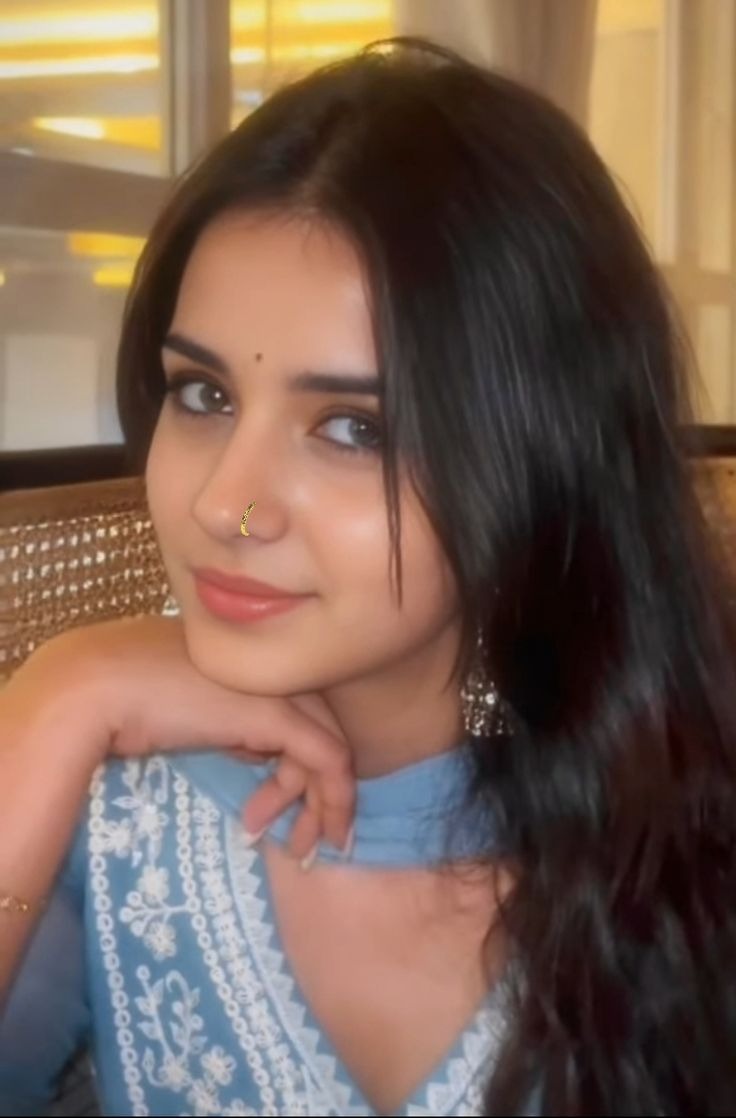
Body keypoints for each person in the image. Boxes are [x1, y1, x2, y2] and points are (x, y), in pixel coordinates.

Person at [1, 33, 736, 1117]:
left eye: (354, 426)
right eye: (203, 396)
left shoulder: (686, 823)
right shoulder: (107, 820)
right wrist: (60, 696)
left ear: (535, 457)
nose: (224, 506)